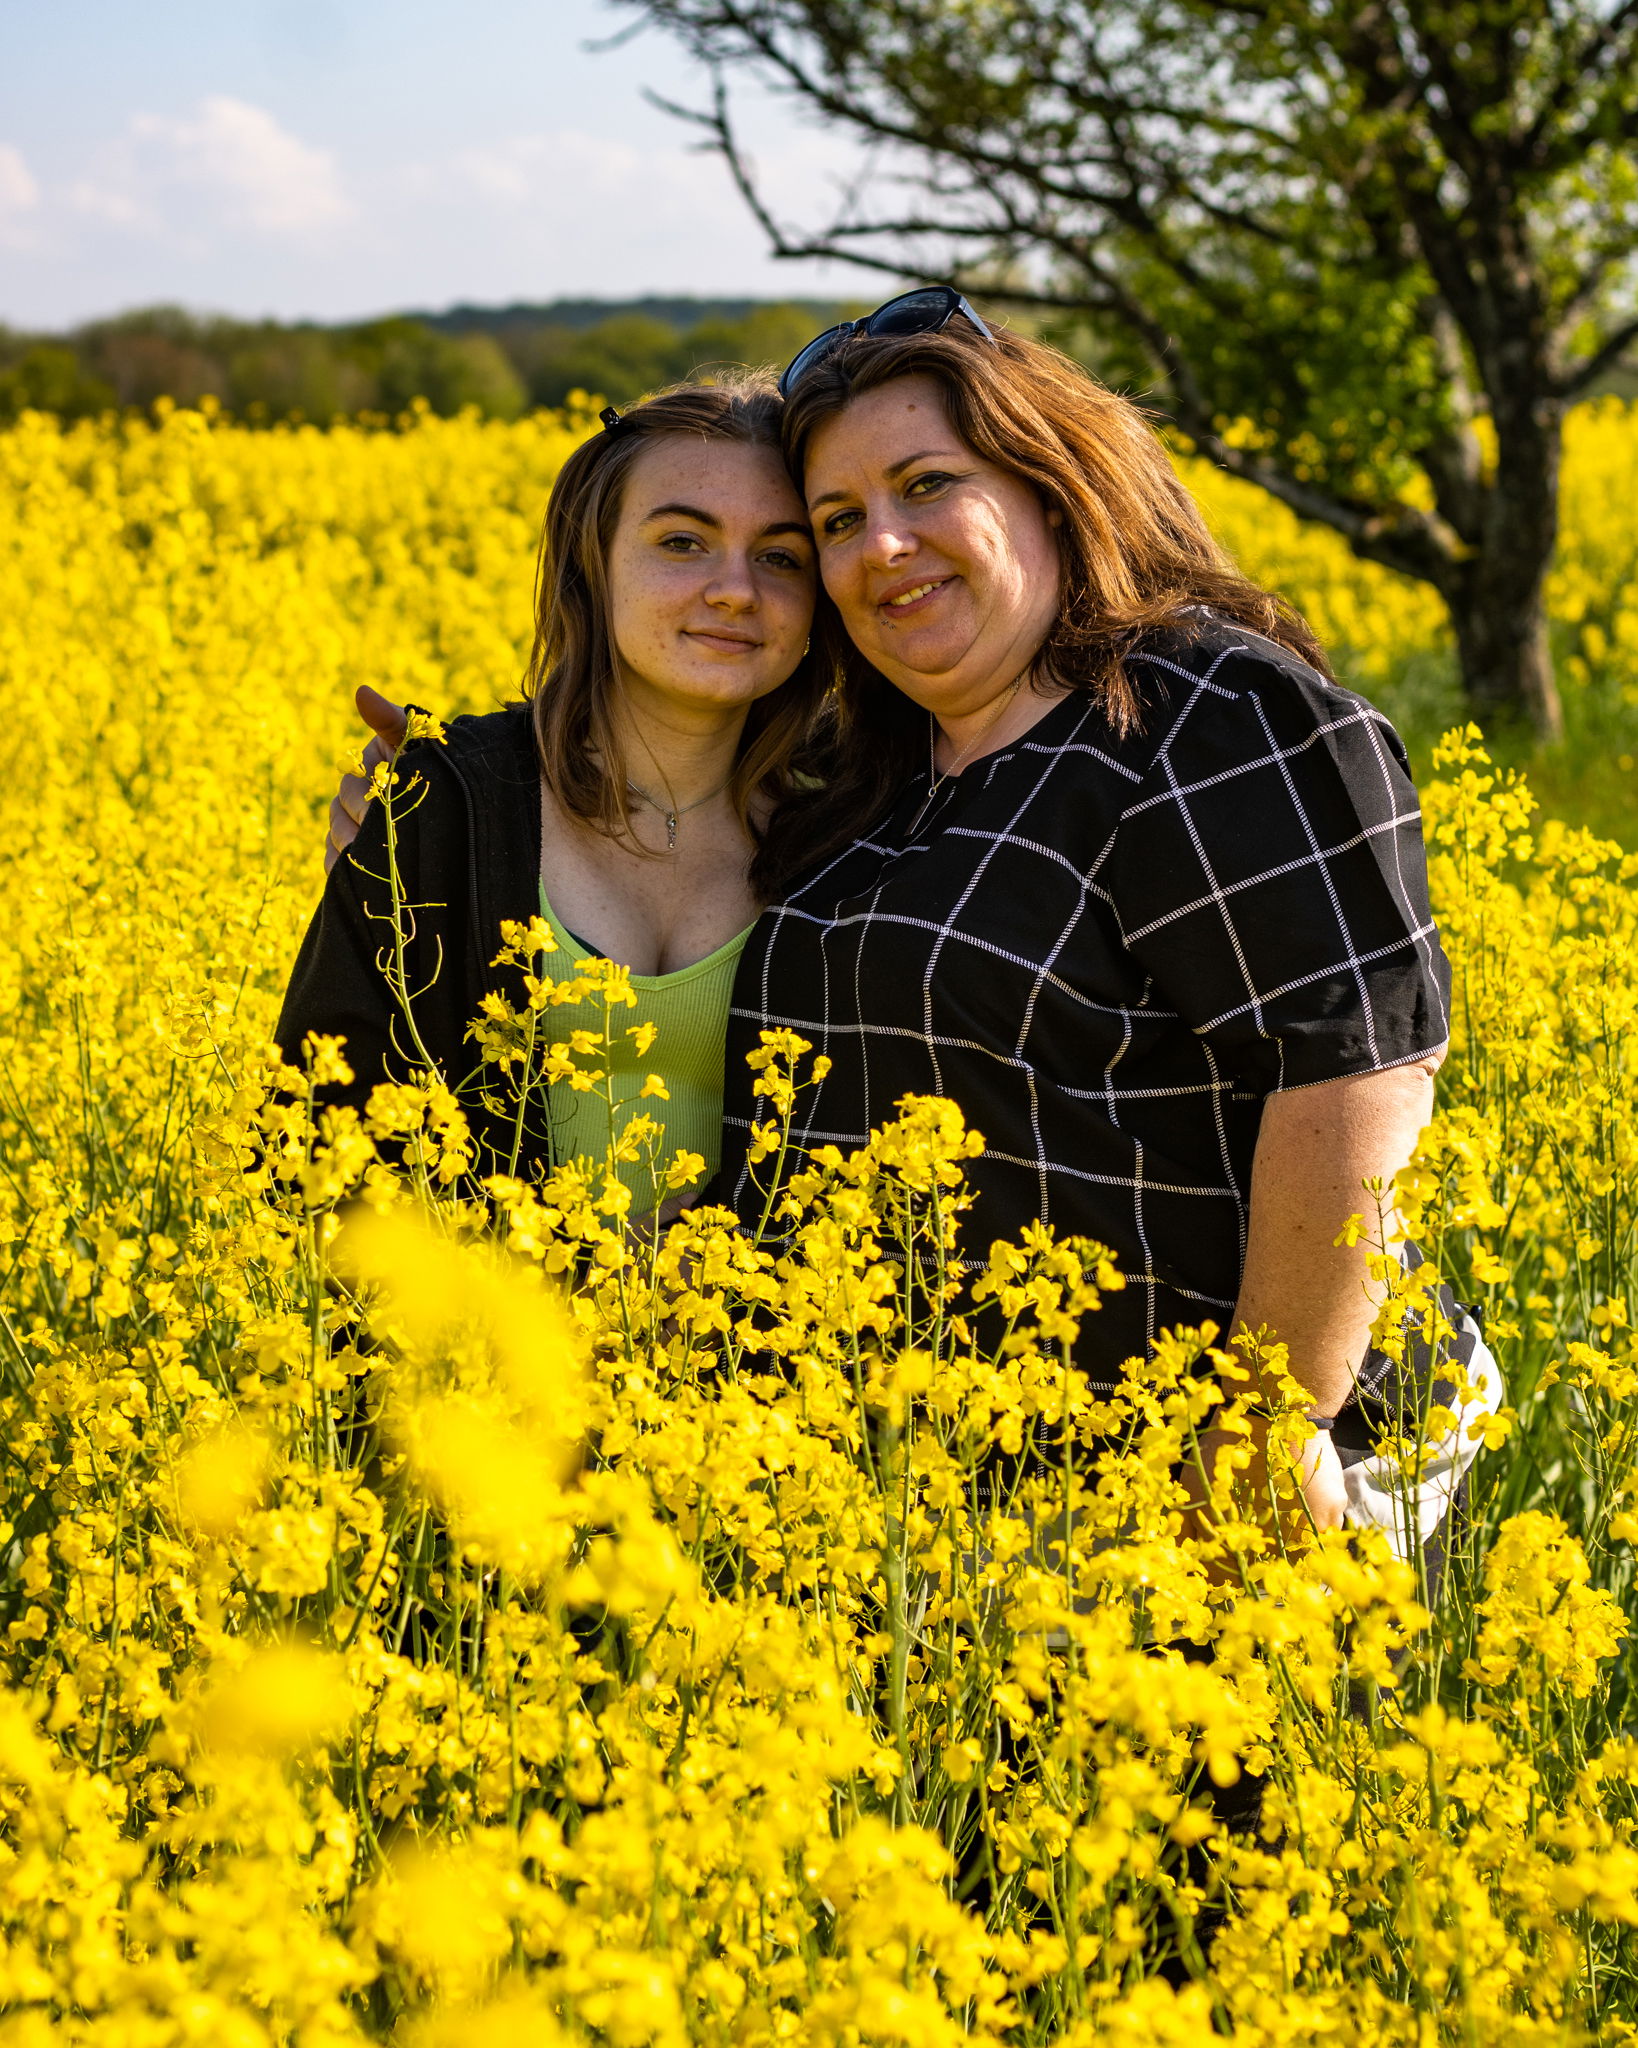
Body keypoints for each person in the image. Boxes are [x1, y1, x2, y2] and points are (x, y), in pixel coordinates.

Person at [318, 294, 1495, 1538]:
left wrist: (1266, 1430)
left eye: (926, 485)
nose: (882, 545)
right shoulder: (876, 773)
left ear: (1049, 480)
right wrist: (457, 824)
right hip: (968, 1487)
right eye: (837, 521)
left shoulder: (1202, 710)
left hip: (1224, 1475)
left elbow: (1355, 1072)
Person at [277, 375, 837, 1202]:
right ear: (593, 561)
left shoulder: (854, 824)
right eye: (682, 542)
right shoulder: (452, 800)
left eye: (781, 556)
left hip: (757, 1329)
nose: (735, 588)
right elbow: (316, 1136)